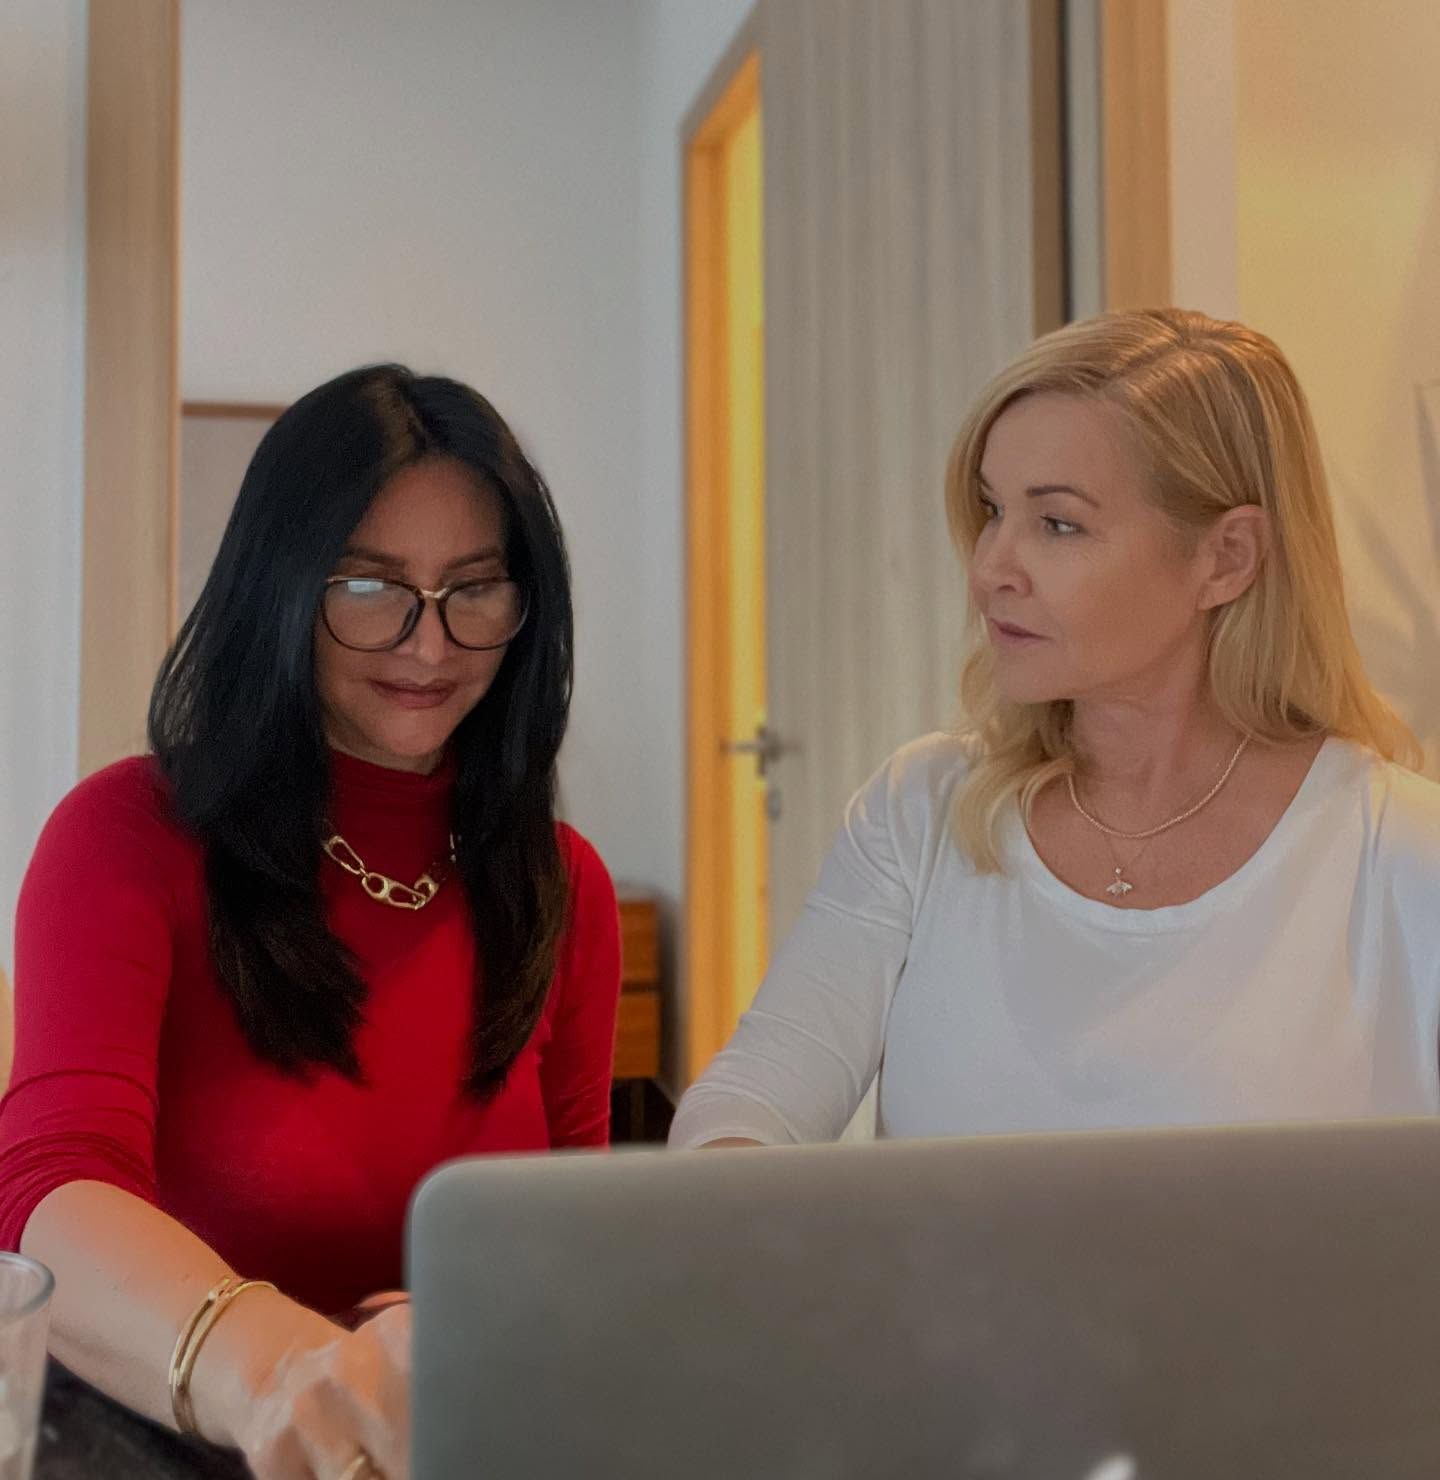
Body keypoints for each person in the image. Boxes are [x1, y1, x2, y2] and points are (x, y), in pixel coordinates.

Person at [0, 366, 621, 1479]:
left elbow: (571, 1226)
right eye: (371, 588)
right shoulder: (126, 836)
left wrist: (481, 1328)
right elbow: (50, 1190)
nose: (430, 646)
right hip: (176, 1437)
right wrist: (288, 1370)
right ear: (281, 589)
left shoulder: (560, 885)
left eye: (475, 589)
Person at [671, 308, 1440, 1152]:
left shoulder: (1398, 851)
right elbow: (753, 1097)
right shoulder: (919, 813)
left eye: (1058, 524)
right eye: (992, 510)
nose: (991, 569)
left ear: (1227, 559)